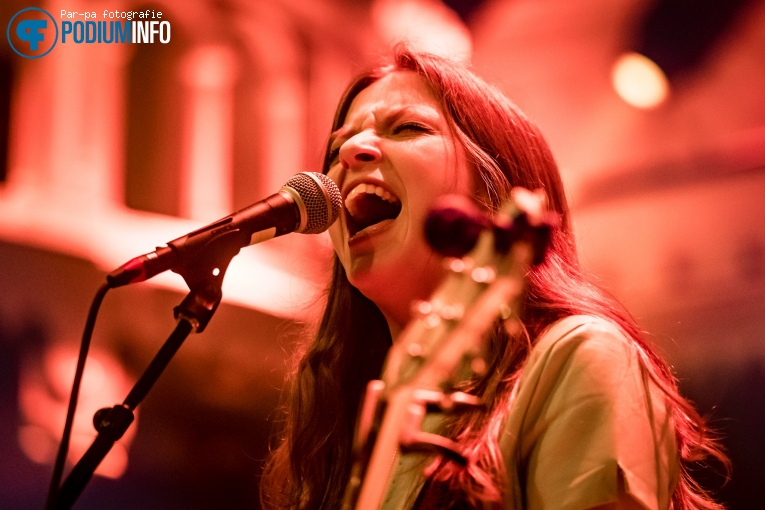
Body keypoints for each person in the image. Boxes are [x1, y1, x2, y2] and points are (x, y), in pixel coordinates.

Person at [260, 45, 728, 509]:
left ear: (492, 188)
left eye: (407, 127)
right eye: (338, 146)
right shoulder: (348, 421)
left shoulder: (580, 355)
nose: (352, 152)